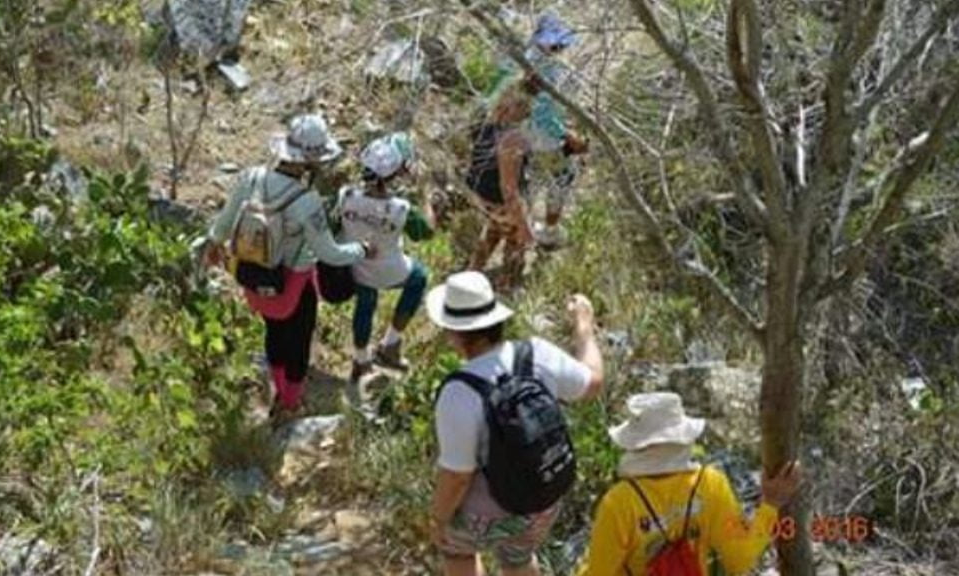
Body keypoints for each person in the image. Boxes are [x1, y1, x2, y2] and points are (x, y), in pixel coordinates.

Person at [426, 270, 605, 576]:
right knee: (518, 558)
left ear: (454, 333)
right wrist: (584, 330)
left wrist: (437, 519)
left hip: (485, 517)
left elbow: (457, 477)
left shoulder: (459, 392)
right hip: (542, 502)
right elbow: (594, 382)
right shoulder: (537, 353)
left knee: (456, 551)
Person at [203, 114, 372, 414]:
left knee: (273, 333)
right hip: (292, 285)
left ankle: (279, 391)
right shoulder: (308, 202)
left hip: (253, 278)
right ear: (311, 162)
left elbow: (222, 226)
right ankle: (290, 403)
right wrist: (360, 250)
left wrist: (214, 245)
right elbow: (330, 254)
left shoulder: (251, 178)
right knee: (298, 343)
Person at [576, 392, 803, 576]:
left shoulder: (619, 502)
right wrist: (771, 504)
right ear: (684, 438)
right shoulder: (710, 484)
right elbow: (740, 560)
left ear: (634, 444)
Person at [337, 133, 435, 385]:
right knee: (419, 278)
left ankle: (360, 360)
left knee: (366, 302)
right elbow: (426, 232)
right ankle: (391, 343)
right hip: (391, 270)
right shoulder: (401, 209)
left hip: (356, 265)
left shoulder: (345, 195)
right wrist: (425, 196)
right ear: (393, 175)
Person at [524, 13, 589, 249]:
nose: (560, 47)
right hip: (545, 141)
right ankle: (549, 232)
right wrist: (567, 135)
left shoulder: (528, 58)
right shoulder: (545, 68)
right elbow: (543, 115)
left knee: (532, 182)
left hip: (526, 137)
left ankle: (527, 227)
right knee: (561, 181)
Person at [465, 80, 537, 291]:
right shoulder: (512, 138)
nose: (529, 111)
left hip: (482, 195)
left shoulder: (487, 126)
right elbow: (509, 188)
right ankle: (505, 286)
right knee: (516, 241)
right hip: (499, 199)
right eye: (525, 106)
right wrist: (524, 225)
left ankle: (472, 273)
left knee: (493, 231)